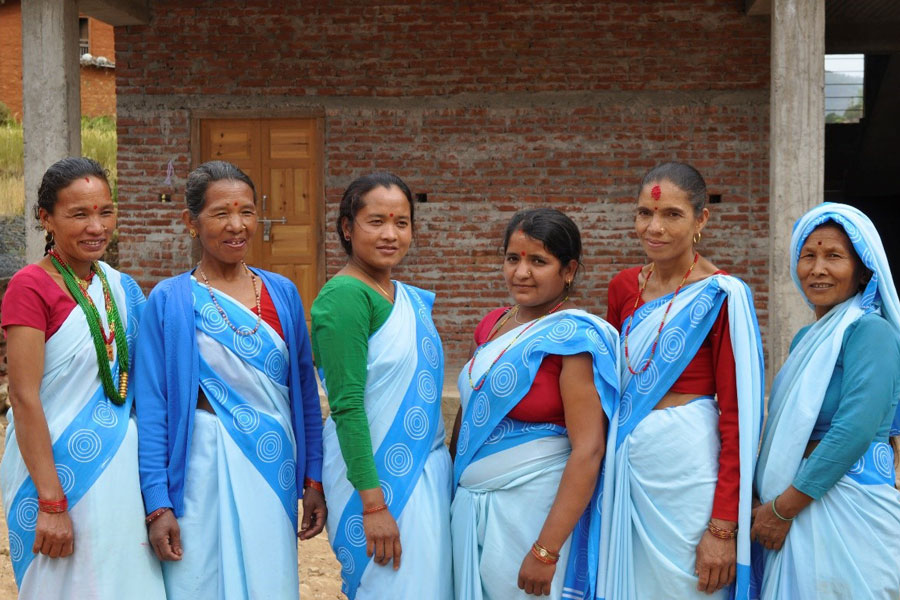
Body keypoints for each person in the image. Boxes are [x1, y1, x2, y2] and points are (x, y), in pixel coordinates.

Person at [134, 160, 326, 599]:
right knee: (197, 579)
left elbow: (305, 394)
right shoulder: (168, 300)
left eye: (247, 212)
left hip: (271, 463)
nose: (236, 225)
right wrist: (157, 503)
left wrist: (313, 479)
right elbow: (154, 407)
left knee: (267, 579)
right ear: (191, 222)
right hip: (199, 468)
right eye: (221, 213)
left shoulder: (283, 293)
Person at [0, 157, 165, 599]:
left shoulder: (120, 288)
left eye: (105, 211)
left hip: (120, 479)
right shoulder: (30, 287)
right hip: (58, 475)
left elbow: (146, 380)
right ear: (46, 219)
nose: (97, 226)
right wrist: (52, 503)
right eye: (79, 214)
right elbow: (24, 395)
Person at [599, 162, 764, 599]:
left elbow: (738, 418)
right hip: (627, 470)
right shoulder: (622, 288)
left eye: (672, 214)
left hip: (689, 473)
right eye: (644, 213)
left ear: (700, 220)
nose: (654, 227)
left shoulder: (722, 294)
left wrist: (724, 527)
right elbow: (613, 386)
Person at [450, 208, 620, 600]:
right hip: (471, 505)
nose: (521, 273)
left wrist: (546, 550)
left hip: (533, 515)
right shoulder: (493, 325)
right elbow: (471, 412)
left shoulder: (573, 340)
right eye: (513, 258)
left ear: (569, 270)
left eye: (538, 261)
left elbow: (588, 450)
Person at [311, 172, 452, 600]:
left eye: (402, 222)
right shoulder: (344, 298)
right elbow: (348, 406)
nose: (391, 234)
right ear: (347, 228)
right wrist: (373, 505)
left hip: (425, 473)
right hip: (376, 485)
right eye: (376, 222)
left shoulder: (403, 296)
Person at [751, 203, 900, 599]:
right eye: (808, 256)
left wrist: (782, 510)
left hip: (849, 505)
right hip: (796, 501)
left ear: (862, 269)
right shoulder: (806, 339)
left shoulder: (871, 332)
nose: (818, 269)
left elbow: (855, 429)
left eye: (834, 256)